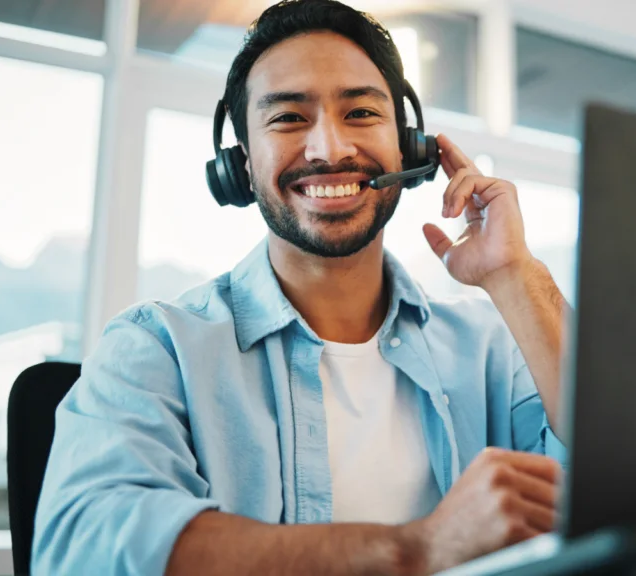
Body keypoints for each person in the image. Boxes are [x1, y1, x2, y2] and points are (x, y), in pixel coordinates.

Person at [32, 0, 570, 573]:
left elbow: (630, 477)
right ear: (239, 162)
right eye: (288, 118)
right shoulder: (158, 349)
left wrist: (516, 276)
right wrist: (414, 549)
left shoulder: (492, 346)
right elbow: (84, 547)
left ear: (410, 144)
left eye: (361, 112)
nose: (329, 150)